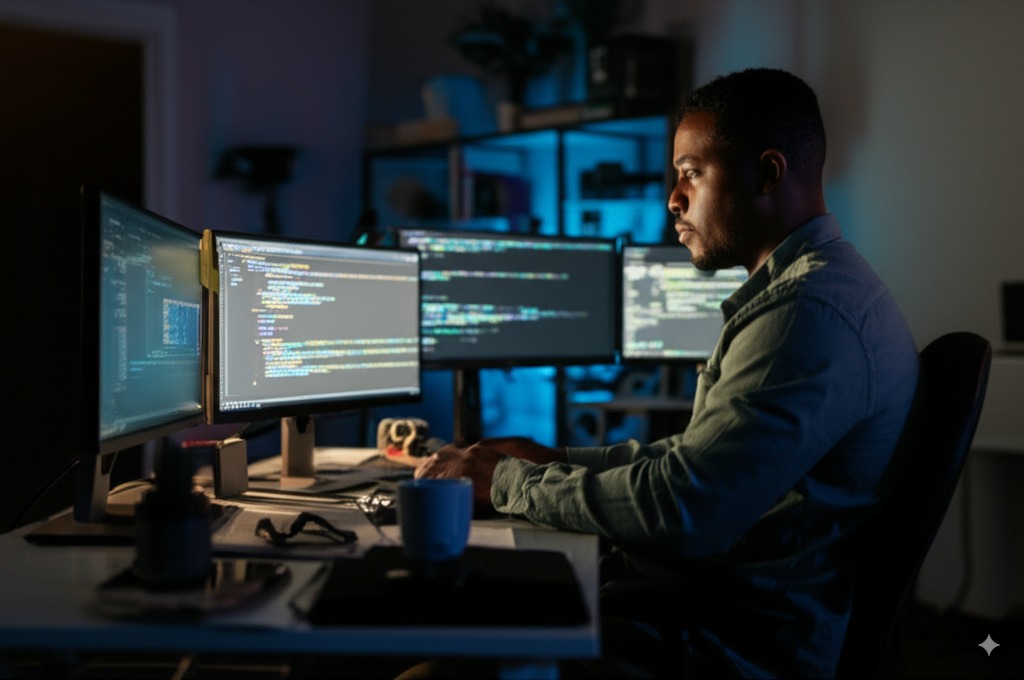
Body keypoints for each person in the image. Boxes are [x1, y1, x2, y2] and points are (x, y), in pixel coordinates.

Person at [414, 68, 920, 678]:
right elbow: (691, 463)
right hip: (715, 607)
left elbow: (683, 510)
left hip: (726, 641)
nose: (672, 199)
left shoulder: (807, 313)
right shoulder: (815, 290)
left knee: (444, 658)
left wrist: (509, 483)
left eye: (691, 173)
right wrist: (553, 459)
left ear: (767, 173)